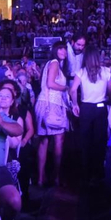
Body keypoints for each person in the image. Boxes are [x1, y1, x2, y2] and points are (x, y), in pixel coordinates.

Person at [37, 40, 71, 187]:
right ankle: (55, 177)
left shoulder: (50, 63)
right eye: (60, 49)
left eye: (65, 50)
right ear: (55, 50)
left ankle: (40, 178)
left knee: (44, 142)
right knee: (58, 141)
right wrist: (66, 88)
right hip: (52, 104)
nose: (63, 52)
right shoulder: (55, 63)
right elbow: (50, 84)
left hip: (43, 103)